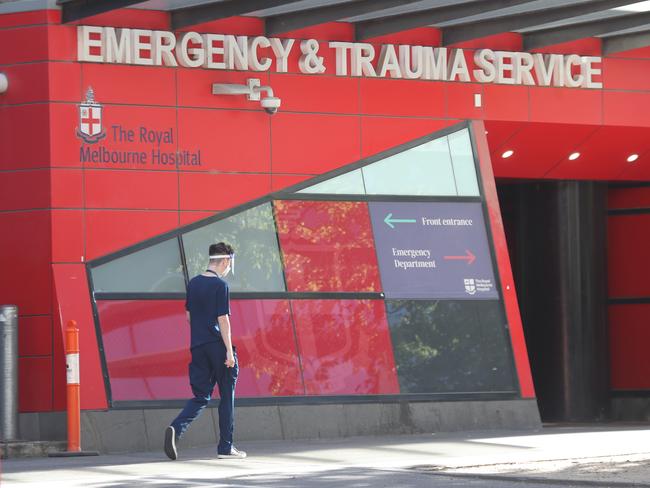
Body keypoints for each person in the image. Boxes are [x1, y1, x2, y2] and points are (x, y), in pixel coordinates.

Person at [164, 242, 246, 460]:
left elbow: (189, 317)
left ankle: (176, 427)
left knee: (201, 396)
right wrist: (229, 351)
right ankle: (226, 447)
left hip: (198, 346)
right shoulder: (221, 286)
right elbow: (223, 320)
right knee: (227, 395)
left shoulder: (193, 284)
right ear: (226, 261)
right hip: (217, 346)